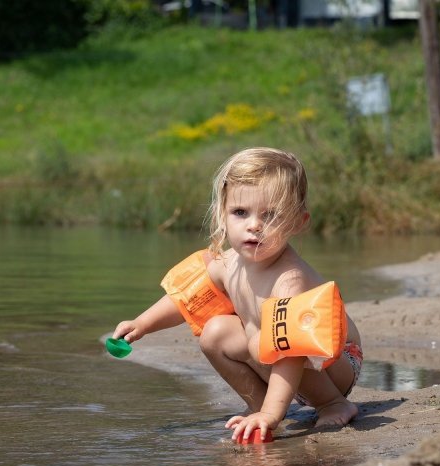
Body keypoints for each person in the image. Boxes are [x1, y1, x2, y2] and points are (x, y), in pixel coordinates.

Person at [111, 147, 362, 443]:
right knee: (215, 332)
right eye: (241, 212)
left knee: (266, 342)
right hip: (277, 355)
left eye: (270, 216)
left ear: (298, 222)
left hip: (336, 362)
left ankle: (332, 404)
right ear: (223, 213)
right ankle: (257, 405)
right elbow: (185, 300)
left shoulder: (289, 279)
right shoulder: (226, 262)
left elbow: (292, 352)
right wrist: (142, 324)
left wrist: (273, 414)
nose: (254, 225)